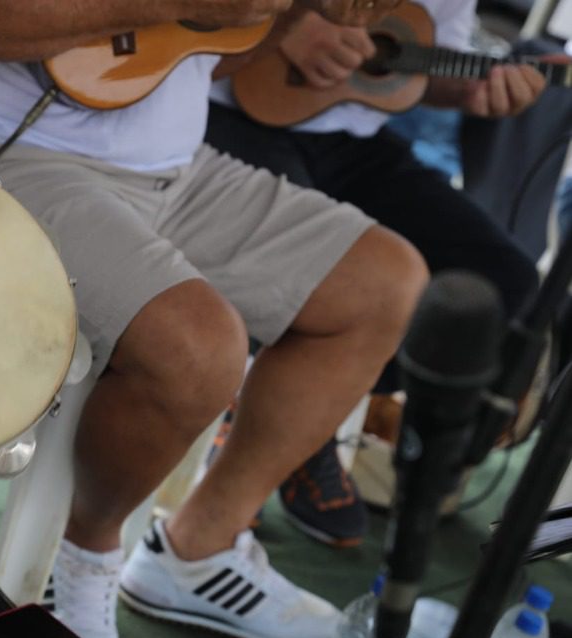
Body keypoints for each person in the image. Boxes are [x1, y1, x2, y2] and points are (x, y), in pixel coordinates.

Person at [0, 0, 428, 638]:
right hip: (2, 157)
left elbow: (203, 52)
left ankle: (196, 550)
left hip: (179, 172)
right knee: (198, 350)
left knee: (384, 284)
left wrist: (284, 12)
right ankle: (86, 557)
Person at [205, 0, 543, 547]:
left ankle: (309, 414)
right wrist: (281, 26)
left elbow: (421, 68)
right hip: (219, 106)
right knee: (312, 266)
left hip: (347, 137)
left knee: (505, 284)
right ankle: (278, 428)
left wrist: (475, 89)